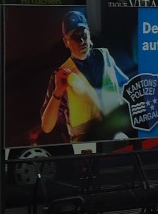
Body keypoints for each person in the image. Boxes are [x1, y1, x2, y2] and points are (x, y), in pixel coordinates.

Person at [40, 9, 132, 143]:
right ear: (66, 42)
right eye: (75, 37)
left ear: (89, 33)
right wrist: (58, 92)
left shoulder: (104, 56)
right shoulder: (61, 74)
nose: (82, 40)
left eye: (83, 34)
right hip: (85, 142)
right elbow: (46, 127)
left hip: (116, 135)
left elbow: (126, 87)